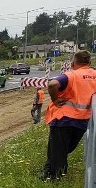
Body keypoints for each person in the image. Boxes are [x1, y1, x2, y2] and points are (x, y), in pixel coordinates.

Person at [41, 50, 96, 180]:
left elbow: (52, 84)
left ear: (73, 62)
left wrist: (55, 100)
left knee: (58, 151)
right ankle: (48, 172)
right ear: (89, 62)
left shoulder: (72, 75)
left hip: (63, 119)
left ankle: (55, 178)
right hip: (83, 120)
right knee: (63, 150)